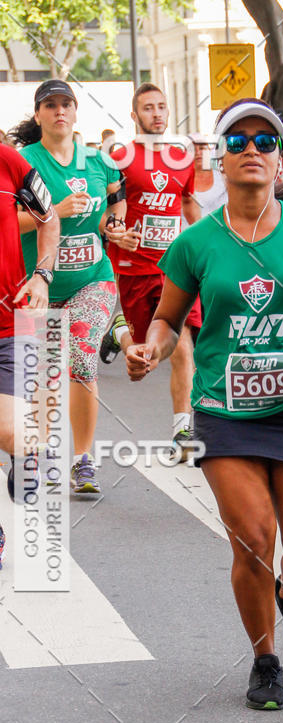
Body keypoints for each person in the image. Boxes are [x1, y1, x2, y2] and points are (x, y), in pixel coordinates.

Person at [126, 99, 283, 710]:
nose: (251, 148)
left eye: (264, 139)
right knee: (253, 537)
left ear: (280, 154)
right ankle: (264, 660)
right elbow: (168, 320)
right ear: (219, 158)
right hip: (223, 409)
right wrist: (150, 349)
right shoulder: (194, 242)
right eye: (237, 140)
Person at [11, 79, 125, 494]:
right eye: (50, 105)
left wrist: (115, 227)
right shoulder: (22, 162)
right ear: (38, 114)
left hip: (93, 280)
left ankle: (83, 459)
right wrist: (51, 213)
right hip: (37, 283)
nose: (60, 111)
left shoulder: (97, 160)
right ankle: (38, 455)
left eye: (66, 104)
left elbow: (117, 198)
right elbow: (7, 220)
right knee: (41, 374)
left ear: (76, 113)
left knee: (79, 356)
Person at [100, 83, 201, 458]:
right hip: (135, 266)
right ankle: (120, 328)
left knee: (182, 345)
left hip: (175, 267)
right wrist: (114, 232)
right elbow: (107, 207)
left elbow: (186, 200)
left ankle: (182, 429)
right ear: (134, 115)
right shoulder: (120, 157)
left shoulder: (181, 156)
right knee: (147, 353)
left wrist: (210, 237)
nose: (157, 114)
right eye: (148, 108)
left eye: (161, 107)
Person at [0, 141, 58, 567]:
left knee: (13, 432)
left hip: (9, 323)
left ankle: (27, 453)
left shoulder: (7, 160)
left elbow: (48, 218)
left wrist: (41, 275)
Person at [181, 133, 227, 224]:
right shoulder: (179, 181)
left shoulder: (223, 178)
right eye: (192, 149)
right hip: (188, 236)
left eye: (202, 148)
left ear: (209, 150)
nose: (198, 152)